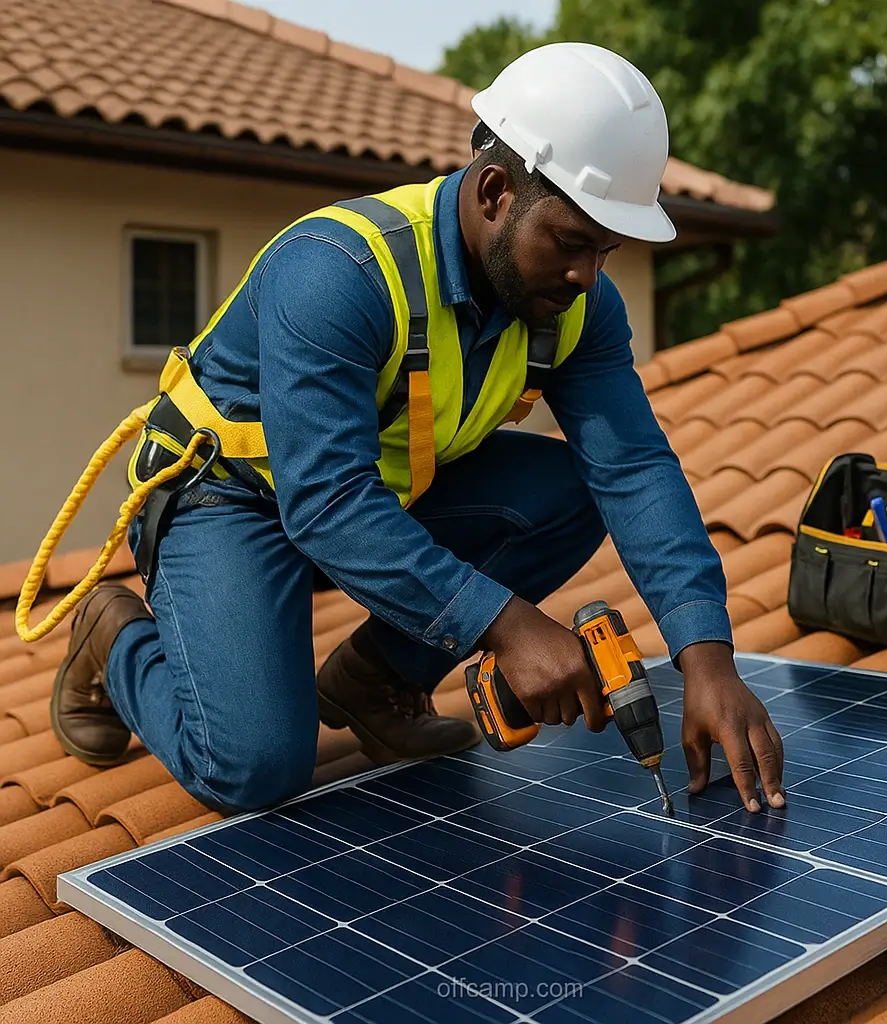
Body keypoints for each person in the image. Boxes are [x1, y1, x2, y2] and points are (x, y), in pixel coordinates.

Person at [46, 42, 785, 816]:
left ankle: (376, 679)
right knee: (255, 767)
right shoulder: (339, 271)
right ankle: (115, 632)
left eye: (606, 250)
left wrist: (708, 659)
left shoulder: (574, 307)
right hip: (227, 501)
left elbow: (632, 468)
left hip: (371, 495)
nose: (587, 277)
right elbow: (326, 502)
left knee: (570, 491)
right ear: (496, 192)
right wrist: (505, 626)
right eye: (571, 243)